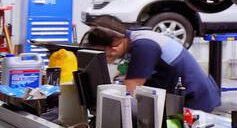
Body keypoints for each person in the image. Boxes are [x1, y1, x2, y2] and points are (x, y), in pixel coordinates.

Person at [82, 15, 222, 112]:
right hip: (180, 98)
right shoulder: (134, 38)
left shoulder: (143, 46)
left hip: (194, 101)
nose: (105, 58)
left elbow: (131, 92)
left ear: (113, 47)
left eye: (102, 53)